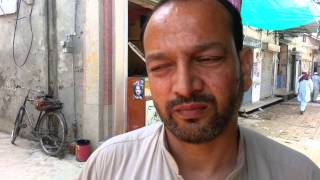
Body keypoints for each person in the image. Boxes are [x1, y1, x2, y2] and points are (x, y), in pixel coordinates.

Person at [79, 0, 320, 179]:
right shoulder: (107, 167)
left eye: (207, 59)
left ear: (245, 68)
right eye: (161, 66)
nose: (184, 87)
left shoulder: (299, 174)